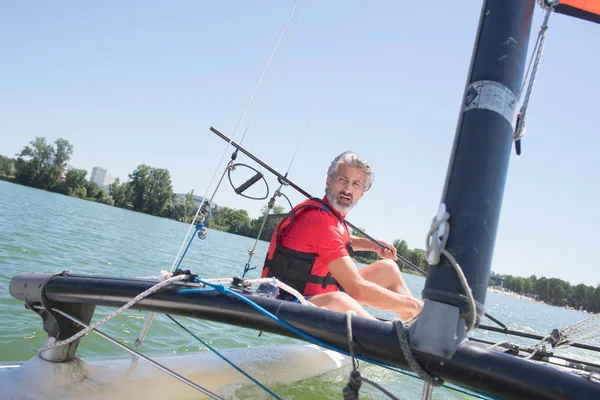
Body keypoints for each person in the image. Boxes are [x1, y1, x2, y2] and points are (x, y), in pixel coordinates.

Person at [261, 151, 423, 321]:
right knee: (340, 300)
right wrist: (415, 304)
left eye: (355, 184)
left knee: (387, 268)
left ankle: (417, 326)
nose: (347, 189)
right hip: (289, 302)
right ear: (328, 181)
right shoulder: (318, 220)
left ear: (362, 192)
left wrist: (372, 245)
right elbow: (356, 290)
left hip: (318, 295)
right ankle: (392, 339)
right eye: (342, 180)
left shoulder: (333, 219)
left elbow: (338, 241)